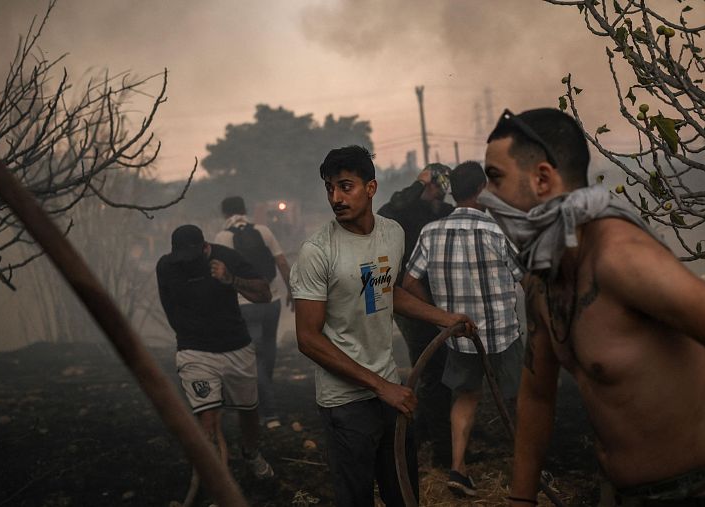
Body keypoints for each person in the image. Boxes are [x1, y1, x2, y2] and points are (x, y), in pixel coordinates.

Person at [479, 108, 705, 506]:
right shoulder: (543, 277)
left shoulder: (621, 259)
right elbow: (537, 395)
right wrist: (521, 499)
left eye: (495, 178)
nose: (485, 197)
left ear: (542, 178)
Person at [290, 146, 476, 507]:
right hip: (346, 403)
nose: (336, 198)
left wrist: (445, 318)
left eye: (346, 186)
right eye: (330, 188)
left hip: (389, 390)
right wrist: (381, 387)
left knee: (404, 495)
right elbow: (307, 339)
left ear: (371, 188)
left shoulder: (392, 233)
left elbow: (387, 290)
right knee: (357, 499)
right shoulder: (318, 251)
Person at [402, 161, 525, 498]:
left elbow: (408, 281)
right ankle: (527, 470)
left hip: (460, 336)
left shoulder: (430, 232)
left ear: (454, 192)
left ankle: (458, 468)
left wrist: (440, 315)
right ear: (482, 190)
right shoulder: (496, 231)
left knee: (465, 397)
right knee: (517, 399)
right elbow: (526, 278)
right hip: (502, 333)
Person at [156, 224, 275, 505]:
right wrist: (188, 336)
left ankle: (250, 453)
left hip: (235, 346)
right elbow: (169, 305)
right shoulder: (166, 266)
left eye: (192, 257)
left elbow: (264, 294)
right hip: (194, 351)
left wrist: (230, 279)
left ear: (205, 248)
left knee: (248, 411)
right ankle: (217, 488)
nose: (186, 263)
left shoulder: (225, 257)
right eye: (181, 258)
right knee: (208, 421)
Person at [377, 162, 455, 465]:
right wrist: (418, 185)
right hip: (408, 299)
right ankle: (441, 451)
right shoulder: (403, 209)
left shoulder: (441, 212)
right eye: (432, 186)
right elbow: (386, 211)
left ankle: (424, 431)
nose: (437, 192)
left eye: (440, 187)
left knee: (436, 369)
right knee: (431, 368)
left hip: (438, 298)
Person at [214, 196, 293, 429]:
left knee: (254, 358)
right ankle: (264, 399)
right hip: (272, 301)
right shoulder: (264, 231)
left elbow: (220, 276)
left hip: (244, 305)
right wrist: (291, 291)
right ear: (245, 210)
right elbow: (282, 263)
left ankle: (270, 413)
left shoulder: (222, 237)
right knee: (268, 350)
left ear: (224, 214)